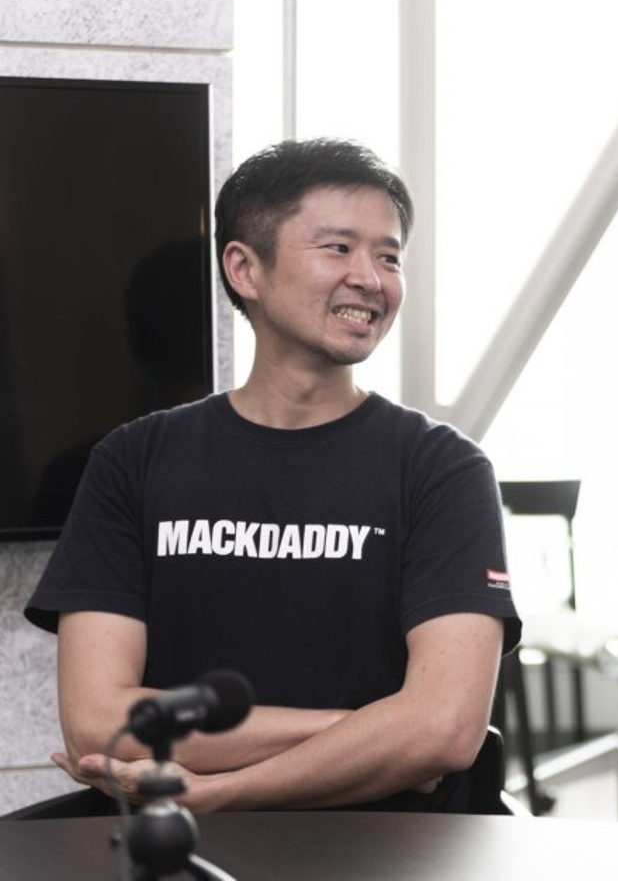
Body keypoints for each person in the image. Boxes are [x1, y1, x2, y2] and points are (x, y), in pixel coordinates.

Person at [25, 138, 520, 814]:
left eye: (389, 257)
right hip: (175, 833)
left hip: (389, 835)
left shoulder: (444, 468)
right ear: (245, 269)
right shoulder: (133, 461)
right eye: (339, 248)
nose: (370, 279)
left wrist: (219, 792)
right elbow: (98, 723)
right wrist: (369, 731)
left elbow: (445, 729)